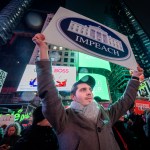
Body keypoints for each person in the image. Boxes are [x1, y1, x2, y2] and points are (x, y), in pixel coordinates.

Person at [33, 33, 144, 150]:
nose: (89, 92)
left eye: (90, 89)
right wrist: (43, 50)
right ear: (73, 97)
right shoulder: (63, 118)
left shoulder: (105, 115)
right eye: (83, 89)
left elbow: (126, 100)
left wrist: (135, 76)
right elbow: (48, 91)